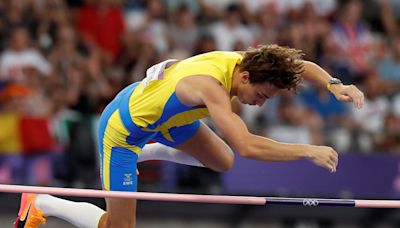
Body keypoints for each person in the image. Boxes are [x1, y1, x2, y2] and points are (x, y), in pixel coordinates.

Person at [14, 44, 364, 228]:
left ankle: (148, 152)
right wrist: (306, 151)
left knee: (222, 161)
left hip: (170, 119)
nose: (259, 104)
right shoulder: (209, 87)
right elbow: (246, 145)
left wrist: (335, 84)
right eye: (262, 95)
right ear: (244, 79)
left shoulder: (249, 62)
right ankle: (42, 202)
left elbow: (298, 65)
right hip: (123, 130)